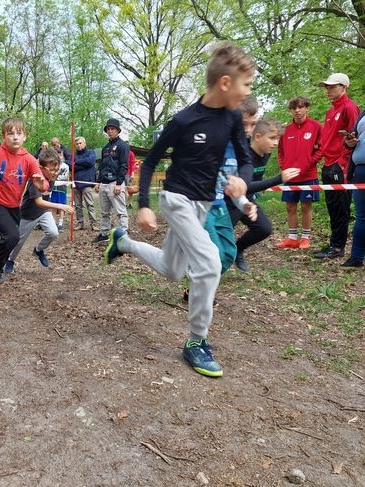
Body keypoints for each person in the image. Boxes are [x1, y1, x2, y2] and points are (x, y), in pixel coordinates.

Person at [104, 42, 256, 377]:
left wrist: (242, 182)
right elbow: (150, 164)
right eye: (246, 83)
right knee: (208, 263)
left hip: (202, 203)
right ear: (226, 83)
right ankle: (196, 342)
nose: (248, 91)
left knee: (173, 269)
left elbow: (246, 160)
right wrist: (144, 205)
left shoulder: (231, 117)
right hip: (175, 200)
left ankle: (124, 243)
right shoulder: (184, 120)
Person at [0, 117, 48, 284]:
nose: (15, 137)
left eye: (19, 133)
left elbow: (44, 185)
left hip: (14, 206)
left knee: (12, 238)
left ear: (25, 137)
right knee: (11, 236)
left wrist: (41, 184)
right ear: (3, 136)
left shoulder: (29, 159)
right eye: (10, 134)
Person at [230, 118, 300, 272]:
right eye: (272, 138)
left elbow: (255, 179)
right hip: (231, 201)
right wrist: (278, 179)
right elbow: (244, 186)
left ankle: (237, 250)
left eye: (278, 139)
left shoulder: (265, 154)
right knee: (220, 239)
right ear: (257, 137)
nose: (275, 143)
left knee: (264, 228)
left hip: (248, 200)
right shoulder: (243, 154)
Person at [313, 73, 360, 260]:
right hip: (328, 162)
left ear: (344, 87)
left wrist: (343, 162)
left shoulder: (350, 107)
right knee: (332, 206)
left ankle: (338, 247)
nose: (328, 90)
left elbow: (355, 137)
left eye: (332, 86)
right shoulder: (331, 111)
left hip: (341, 165)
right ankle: (334, 243)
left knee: (341, 207)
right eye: (327, 87)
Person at [5, 148, 74, 272]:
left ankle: (38, 250)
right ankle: (10, 260)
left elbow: (45, 201)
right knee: (19, 241)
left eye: (57, 169)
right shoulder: (36, 180)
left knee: (53, 233)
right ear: (41, 168)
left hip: (43, 212)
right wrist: (61, 206)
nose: (55, 173)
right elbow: (39, 202)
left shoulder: (52, 177)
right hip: (28, 214)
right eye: (52, 170)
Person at [275, 97, 323, 250]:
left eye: (300, 107)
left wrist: (310, 162)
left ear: (306, 108)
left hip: (308, 175)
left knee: (306, 207)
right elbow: (280, 151)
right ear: (290, 110)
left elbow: (321, 148)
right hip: (290, 176)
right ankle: (292, 238)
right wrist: (284, 166)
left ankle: (305, 238)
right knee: (290, 207)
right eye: (294, 108)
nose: (297, 110)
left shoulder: (316, 126)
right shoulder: (286, 129)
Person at [93, 118, 129, 243]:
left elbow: (124, 165)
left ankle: (123, 234)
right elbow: (101, 165)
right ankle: (104, 233)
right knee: (104, 212)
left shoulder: (123, 145)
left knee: (120, 211)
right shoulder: (105, 148)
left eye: (112, 129)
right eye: (108, 129)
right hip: (104, 183)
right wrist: (98, 181)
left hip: (115, 183)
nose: (110, 131)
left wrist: (119, 184)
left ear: (118, 130)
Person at [341, 110, 365, 267]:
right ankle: (356, 257)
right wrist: (349, 141)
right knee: (362, 216)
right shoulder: (362, 115)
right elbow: (353, 138)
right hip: (360, 170)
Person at [72, 136, 97, 231]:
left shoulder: (91, 152)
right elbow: (71, 166)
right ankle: (80, 223)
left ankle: (93, 223)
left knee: (90, 204)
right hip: (76, 183)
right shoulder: (74, 155)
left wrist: (77, 163)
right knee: (77, 205)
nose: (79, 145)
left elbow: (90, 162)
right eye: (77, 144)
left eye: (80, 143)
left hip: (87, 183)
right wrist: (84, 165)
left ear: (84, 143)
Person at [51, 157, 70, 231]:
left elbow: (64, 177)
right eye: (57, 155)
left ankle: (60, 223)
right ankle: (54, 223)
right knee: (53, 206)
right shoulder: (52, 165)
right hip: (53, 188)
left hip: (61, 188)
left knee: (61, 206)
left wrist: (55, 176)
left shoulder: (65, 166)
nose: (59, 156)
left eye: (60, 155)